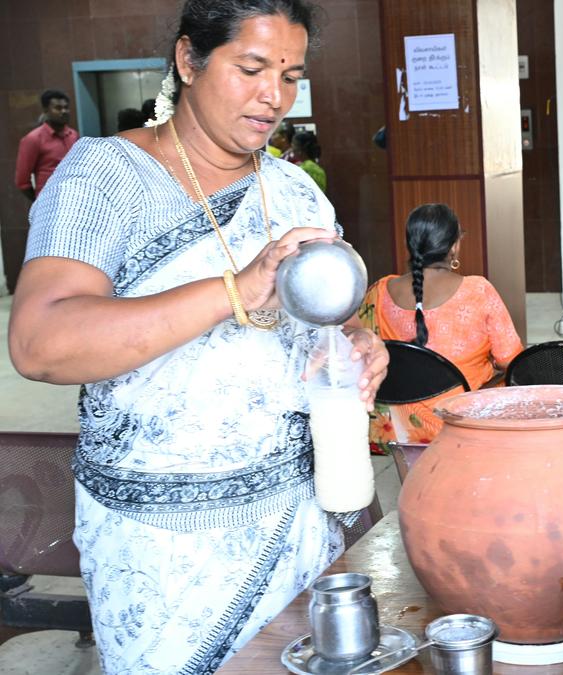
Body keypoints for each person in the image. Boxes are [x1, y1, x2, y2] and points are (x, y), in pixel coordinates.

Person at [6, 1, 389, 672]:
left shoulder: (297, 193)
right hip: (162, 556)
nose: (274, 95)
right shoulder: (105, 178)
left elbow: (329, 318)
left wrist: (358, 342)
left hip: (294, 531)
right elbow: (41, 340)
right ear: (188, 60)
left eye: (292, 75)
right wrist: (233, 291)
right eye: (251, 68)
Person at [355, 203, 522, 453]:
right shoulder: (478, 291)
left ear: (410, 244)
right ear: (454, 245)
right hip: (464, 422)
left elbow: (363, 352)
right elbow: (511, 360)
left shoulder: (378, 293)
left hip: (400, 425)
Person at [14, 89, 79, 200]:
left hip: (75, 199)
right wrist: (39, 203)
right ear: (46, 110)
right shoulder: (33, 139)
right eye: (58, 108)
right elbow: (22, 182)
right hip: (50, 203)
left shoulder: (73, 135)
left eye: (66, 107)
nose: (64, 111)